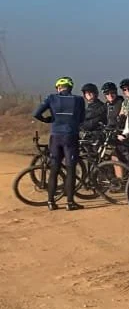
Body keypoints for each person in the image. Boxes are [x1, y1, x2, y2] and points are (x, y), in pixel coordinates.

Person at [32, 77, 86, 211]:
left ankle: (50, 202)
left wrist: (49, 119)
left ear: (58, 87)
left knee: (54, 169)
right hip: (71, 136)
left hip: (55, 137)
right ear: (70, 87)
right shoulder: (78, 100)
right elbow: (82, 119)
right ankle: (70, 202)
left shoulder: (51, 98)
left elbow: (36, 113)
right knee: (71, 170)